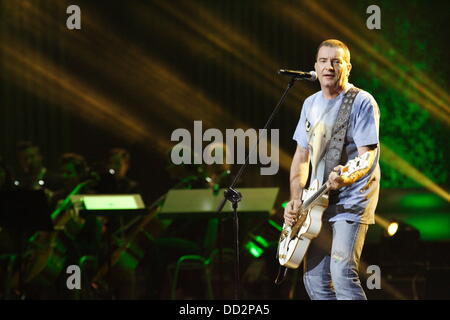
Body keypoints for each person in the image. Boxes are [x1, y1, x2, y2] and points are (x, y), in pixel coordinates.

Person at [283, 39, 380, 300]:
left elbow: (368, 156)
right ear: (315, 66)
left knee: (342, 273)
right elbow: (301, 156)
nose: (329, 67)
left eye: (337, 61)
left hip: (352, 199)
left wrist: (347, 175)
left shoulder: (362, 102)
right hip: (317, 200)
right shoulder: (310, 104)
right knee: (313, 280)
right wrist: (295, 199)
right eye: (324, 61)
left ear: (347, 67)